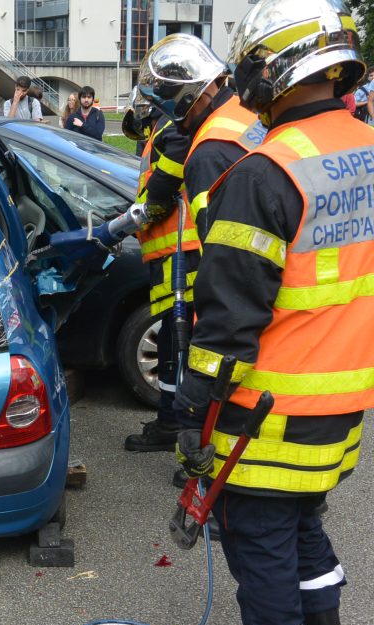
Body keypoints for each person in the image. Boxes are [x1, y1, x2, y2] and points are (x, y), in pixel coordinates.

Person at [174, 2, 370, 625]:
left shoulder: (266, 173)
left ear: (276, 68)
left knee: (265, 589)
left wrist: (190, 415)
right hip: (340, 413)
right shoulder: (365, 147)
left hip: (265, 423)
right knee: (304, 535)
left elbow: (227, 326)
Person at [132, 34, 266, 460]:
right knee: (178, 344)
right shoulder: (240, 115)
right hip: (226, 263)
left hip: (189, 253)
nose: (167, 111)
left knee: (187, 345)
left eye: (169, 100)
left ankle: (195, 438)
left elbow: (163, 194)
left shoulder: (207, 146)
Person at [119, 88, 195, 454]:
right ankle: (170, 421)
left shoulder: (172, 130)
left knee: (180, 341)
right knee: (170, 338)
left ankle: (182, 429)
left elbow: (161, 193)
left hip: (182, 252)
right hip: (170, 252)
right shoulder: (160, 131)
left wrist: (134, 217)